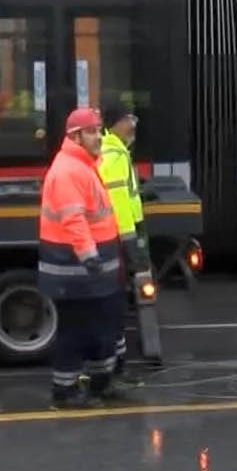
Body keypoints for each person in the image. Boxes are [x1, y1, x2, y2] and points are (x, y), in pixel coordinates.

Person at [39, 107, 127, 410]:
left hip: (89, 270)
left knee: (99, 327)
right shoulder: (69, 171)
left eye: (99, 130)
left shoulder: (84, 166)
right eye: (92, 131)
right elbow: (73, 220)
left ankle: (101, 385)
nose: (98, 137)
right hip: (74, 269)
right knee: (75, 332)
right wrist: (90, 257)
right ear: (75, 136)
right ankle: (64, 393)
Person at [98, 104, 147, 382]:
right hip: (118, 239)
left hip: (117, 237)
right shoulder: (114, 154)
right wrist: (132, 244)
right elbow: (118, 204)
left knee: (115, 305)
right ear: (116, 123)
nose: (133, 124)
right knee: (113, 306)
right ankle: (114, 370)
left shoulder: (116, 150)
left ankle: (116, 365)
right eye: (130, 119)